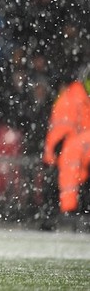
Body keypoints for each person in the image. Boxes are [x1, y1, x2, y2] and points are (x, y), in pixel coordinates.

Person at [43, 63, 90, 229]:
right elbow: (61, 129)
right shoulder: (72, 98)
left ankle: (68, 211)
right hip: (68, 152)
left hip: (72, 153)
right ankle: (69, 210)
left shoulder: (74, 97)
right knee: (72, 155)